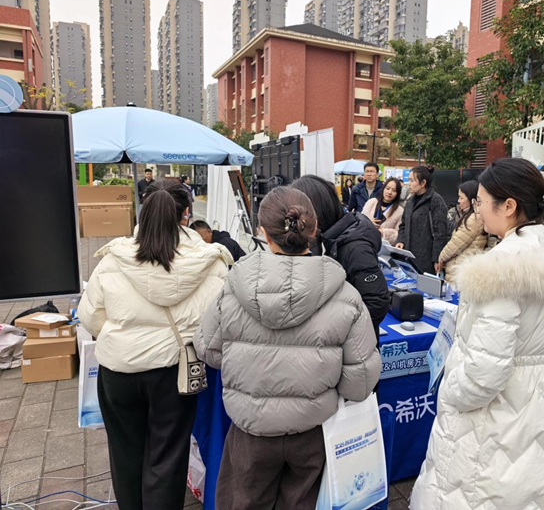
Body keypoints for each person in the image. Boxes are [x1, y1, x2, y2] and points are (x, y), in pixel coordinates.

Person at [410, 158, 544, 510]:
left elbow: (484, 374)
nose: (477, 210)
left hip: (507, 415)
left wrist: (450, 390)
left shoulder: (500, 268)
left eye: (480, 201)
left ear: (508, 206)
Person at [195, 186, 381, 509]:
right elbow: (360, 382)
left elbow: (208, 350)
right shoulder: (346, 295)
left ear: (262, 232)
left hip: (250, 432)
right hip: (312, 435)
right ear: (314, 229)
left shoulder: (233, 288)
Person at [77, 180, 231, 510]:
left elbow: (89, 317)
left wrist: (123, 338)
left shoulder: (114, 257)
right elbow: (219, 321)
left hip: (118, 370)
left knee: (124, 453)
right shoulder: (211, 261)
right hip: (174, 372)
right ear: (186, 213)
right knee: (168, 457)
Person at [292, 175, 390, 338]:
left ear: (315, 209)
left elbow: (377, 302)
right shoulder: (327, 236)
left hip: (353, 343)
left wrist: (335, 331)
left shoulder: (356, 247)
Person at [395, 166, 449, 274]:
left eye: (412, 180)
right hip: (409, 257)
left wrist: (436, 258)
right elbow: (403, 225)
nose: (409, 184)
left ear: (423, 183)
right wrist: (401, 240)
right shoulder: (410, 201)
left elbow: (440, 233)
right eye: (408, 180)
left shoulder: (436, 201)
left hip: (427, 259)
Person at [437, 180, 488, 285]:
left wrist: (441, 258)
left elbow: (455, 244)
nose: (458, 201)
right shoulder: (471, 216)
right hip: (461, 267)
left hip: (460, 269)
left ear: (472, 199)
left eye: (461, 197)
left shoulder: (474, 219)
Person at [361, 177, 404, 245]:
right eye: (387, 188)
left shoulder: (400, 211)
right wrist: (368, 222)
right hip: (364, 242)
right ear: (383, 189)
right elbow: (360, 221)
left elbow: (399, 233)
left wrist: (382, 232)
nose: (389, 192)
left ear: (397, 193)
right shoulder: (371, 202)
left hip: (383, 246)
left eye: (394, 190)